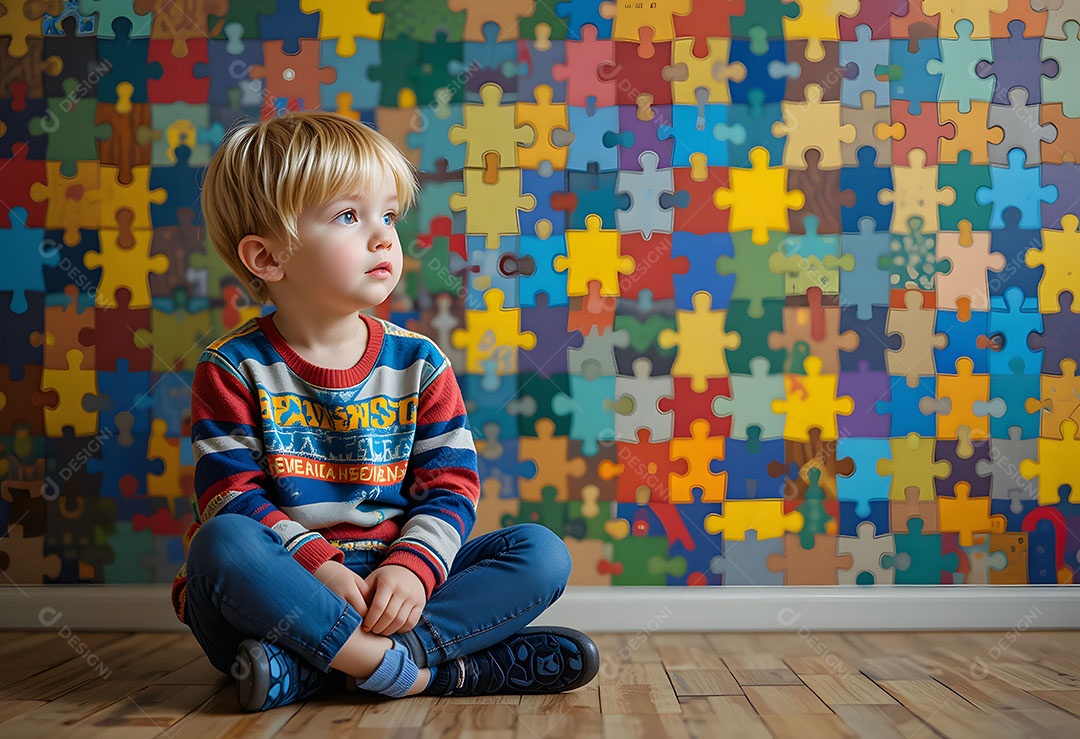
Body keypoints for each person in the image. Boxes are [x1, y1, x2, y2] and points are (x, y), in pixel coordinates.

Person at [170, 111, 599, 712]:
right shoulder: (233, 367)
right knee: (221, 544)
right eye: (349, 216)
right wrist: (318, 568)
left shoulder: (418, 362)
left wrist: (411, 569)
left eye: (389, 215)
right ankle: (430, 670)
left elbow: (450, 486)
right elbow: (232, 494)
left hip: (393, 579)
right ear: (267, 258)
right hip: (286, 592)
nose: (383, 237)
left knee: (540, 551)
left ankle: (325, 669)